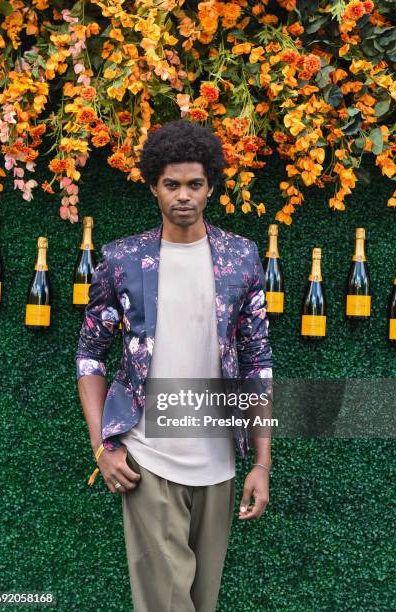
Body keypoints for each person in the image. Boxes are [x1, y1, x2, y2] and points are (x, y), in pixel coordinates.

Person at [76, 119, 273, 612]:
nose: (183, 195)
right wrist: (102, 445)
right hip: (148, 459)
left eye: (194, 184)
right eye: (172, 184)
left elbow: (258, 362)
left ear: (210, 187)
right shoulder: (122, 260)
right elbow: (89, 356)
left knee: (200, 603)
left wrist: (262, 462)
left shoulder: (242, 258)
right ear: (153, 186)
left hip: (220, 463)